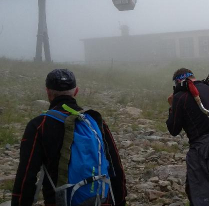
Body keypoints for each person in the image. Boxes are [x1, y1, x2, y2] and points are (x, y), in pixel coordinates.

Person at [12, 69, 126, 206]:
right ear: (76, 91)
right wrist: (120, 200)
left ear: (47, 92)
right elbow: (115, 167)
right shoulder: (93, 120)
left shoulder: (39, 125)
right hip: (99, 200)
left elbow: (26, 176)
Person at [166, 68, 209, 206]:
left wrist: (172, 106)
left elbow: (173, 129)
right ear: (192, 77)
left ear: (177, 82)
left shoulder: (180, 96)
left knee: (199, 192)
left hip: (201, 149)